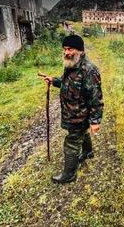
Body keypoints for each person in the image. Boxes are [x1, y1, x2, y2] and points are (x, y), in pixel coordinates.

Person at [42, 35, 104, 184]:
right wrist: (54, 80)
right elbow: (66, 82)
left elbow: (96, 98)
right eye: (64, 49)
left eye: (70, 49)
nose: (66, 52)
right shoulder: (71, 64)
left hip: (80, 115)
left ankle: (69, 175)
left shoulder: (89, 70)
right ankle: (88, 152)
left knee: (71, 142)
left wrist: (95, 121)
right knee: (81, 134)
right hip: (71, 113)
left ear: (80, 51)